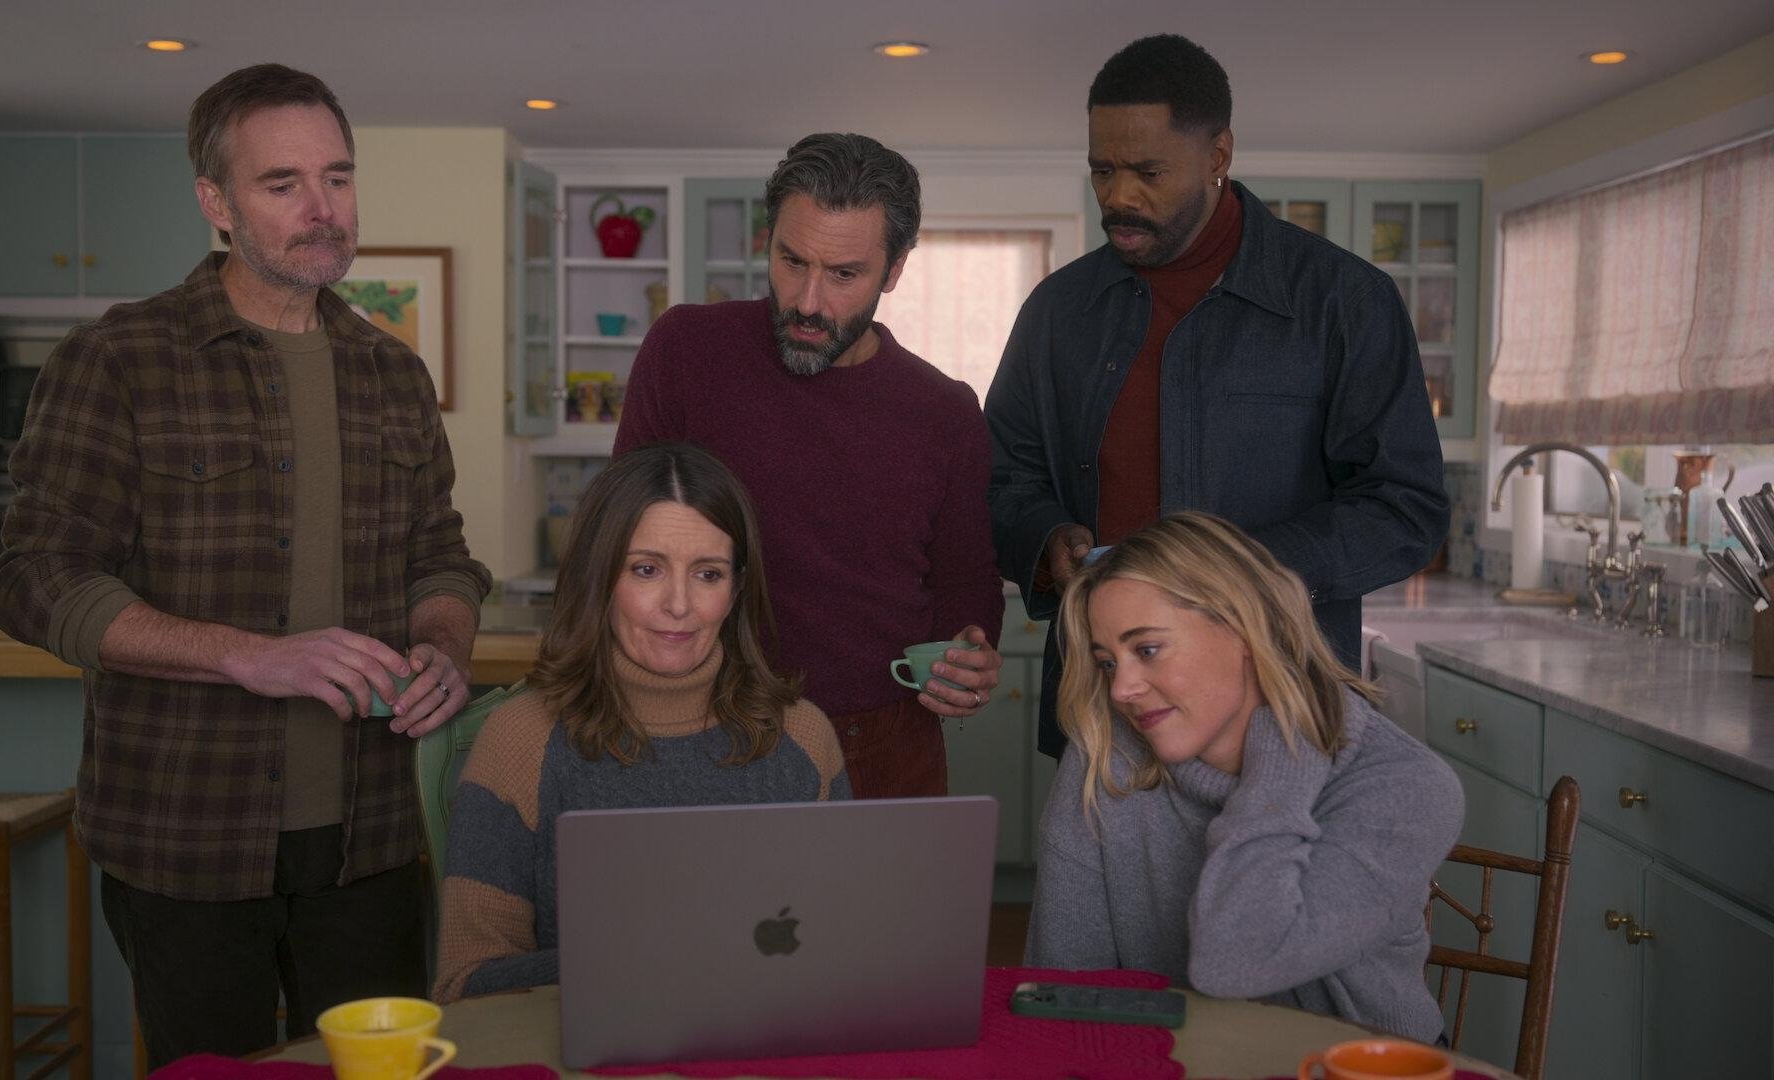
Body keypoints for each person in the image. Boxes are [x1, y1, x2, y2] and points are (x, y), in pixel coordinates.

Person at [0, 64, 490, 1065]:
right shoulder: (120, 358)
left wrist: (444, 643)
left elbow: (441, 555)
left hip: (371, 840)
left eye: (337, 177)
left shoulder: (393, 373)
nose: (322, 208)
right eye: (282, 183)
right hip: (188, 840)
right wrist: (245, 654)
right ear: (216, 202)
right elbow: (34, 576)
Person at [985, 33, 1449, 758]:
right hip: (1104, 710)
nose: (1118, 197)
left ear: (1218, 156)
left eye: (1147, 172)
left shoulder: (1343, 301)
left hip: (1277, 709)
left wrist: (1235, 574)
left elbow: (1406, 507)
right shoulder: (1057, 311)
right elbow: (1001, 476)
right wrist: (1047, 540)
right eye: (1102, 171)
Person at [615, 133, 1003, 799]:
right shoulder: (685, 350)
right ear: (768, 241)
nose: (807, 302)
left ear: (895, 270)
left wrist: (968, 655)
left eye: (844, 275)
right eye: (792, 261)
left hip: (882, 742)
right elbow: (617, 537)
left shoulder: (945, 411)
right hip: (700, 723)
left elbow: (966, 581)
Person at [1026, 511, 1462, 1044]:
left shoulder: (1406, 786)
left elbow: (1232, 964)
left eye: (1147, 650)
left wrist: (1282, 753)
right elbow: (1063, 991)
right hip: (1179, 1058)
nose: (1121, 690)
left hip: (1368, 1065)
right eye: (1108, 662)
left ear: (1246, 630)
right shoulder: (1106, 756)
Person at [433, 442, 848, 1000]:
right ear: (600, 578)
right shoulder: (521, 741)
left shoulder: (804, 736)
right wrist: (641, 961)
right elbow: (465, 982)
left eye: (708, 574)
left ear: (736, 589)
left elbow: (841, 949)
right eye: (646, 570)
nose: (678, 604)